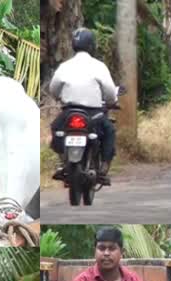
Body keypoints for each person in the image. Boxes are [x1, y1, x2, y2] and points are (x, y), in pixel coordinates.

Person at [49, 28, 118, 186]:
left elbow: (53, 89)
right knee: (109, 131)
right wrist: (111, 100)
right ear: (92, 45)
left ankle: (63, 163)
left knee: (56, 128)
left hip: (68, 112)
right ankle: (104, 168)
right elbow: (109, 92)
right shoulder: (99, 66)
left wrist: (59, 97)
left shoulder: (64, 66)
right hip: (93, 115)